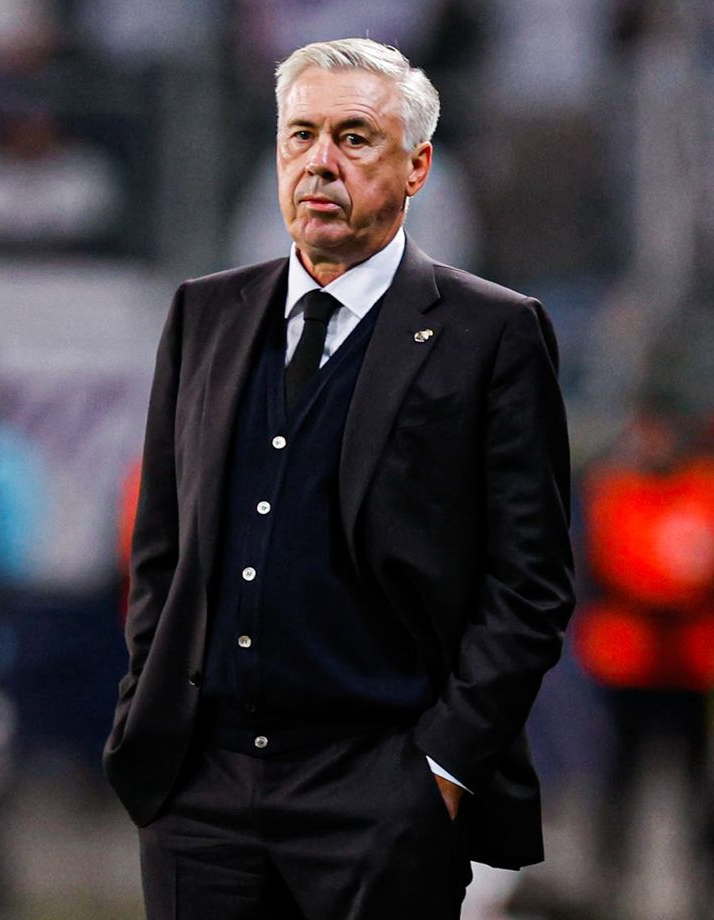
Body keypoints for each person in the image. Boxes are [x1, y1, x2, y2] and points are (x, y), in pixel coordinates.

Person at [104, 38, 575, 920]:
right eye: (301, 135)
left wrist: (439, 769)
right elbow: (163, 550)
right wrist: (145, 711)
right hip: (201, 794)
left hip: (381, 790)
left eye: (355, 137)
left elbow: (532, 585)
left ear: (418, 166)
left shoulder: (493, 333)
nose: (320, 162)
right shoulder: (204, 310)